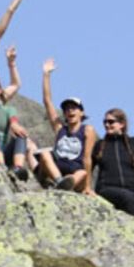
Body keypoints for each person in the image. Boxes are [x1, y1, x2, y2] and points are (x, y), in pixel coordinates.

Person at [0, 49, 39, 181]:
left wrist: (11, 64)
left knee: (22, 136)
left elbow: (16, 85)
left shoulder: (7, 109)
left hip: (3, 151)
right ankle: (1, 167)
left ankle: (18, 168)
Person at [37, 57, 97, 192]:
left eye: (74, 108)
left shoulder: (87, 130)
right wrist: (46, 75)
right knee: (45, 154)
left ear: (82, 112)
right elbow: (47, 102)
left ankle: (67, 183)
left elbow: (87, 159)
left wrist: (88, 187)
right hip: (56, 170)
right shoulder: (60, 128)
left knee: (82, 172)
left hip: (75, 172)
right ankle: (60, 182)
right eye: (67, 108)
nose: (70, 110)